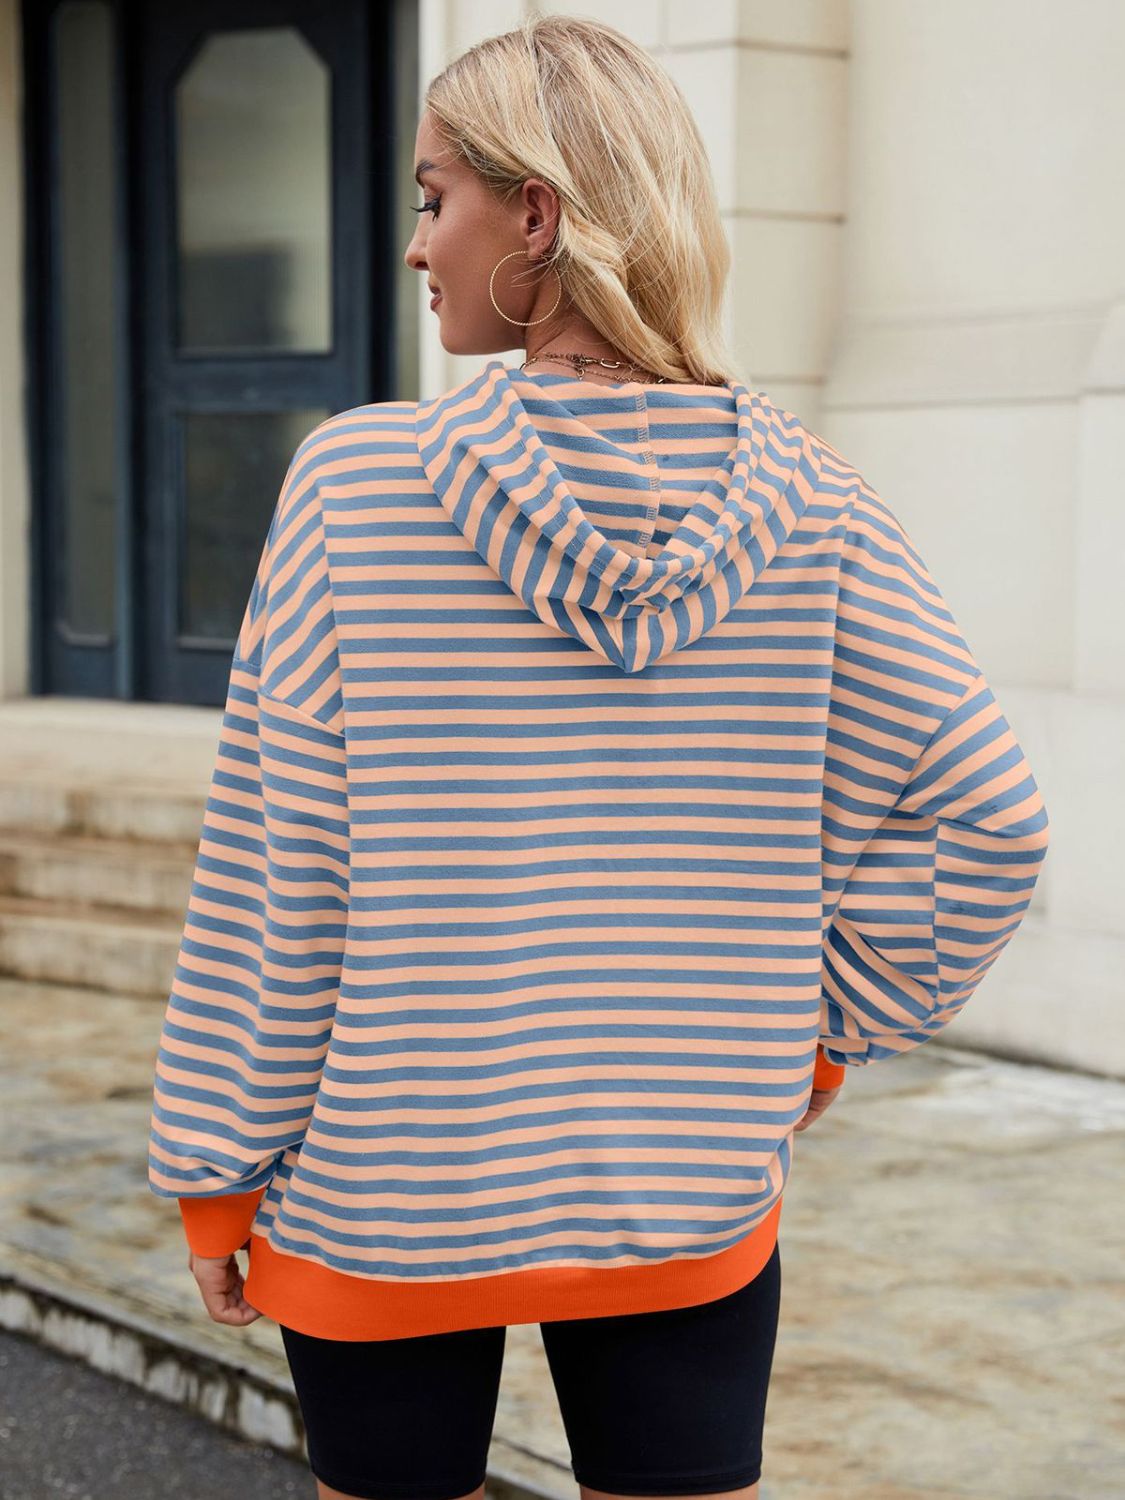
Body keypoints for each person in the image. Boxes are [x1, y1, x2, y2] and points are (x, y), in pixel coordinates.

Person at [146, 17, 1050, 1500]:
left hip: (385, 1191)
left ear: (537, 215)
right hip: (686, 1186)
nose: (414, 243)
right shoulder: (819, 507)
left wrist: (216, 1169)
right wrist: (820, 1030)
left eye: (433, 198)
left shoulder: (358, 489)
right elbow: (989, 820)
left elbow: (277, 873)